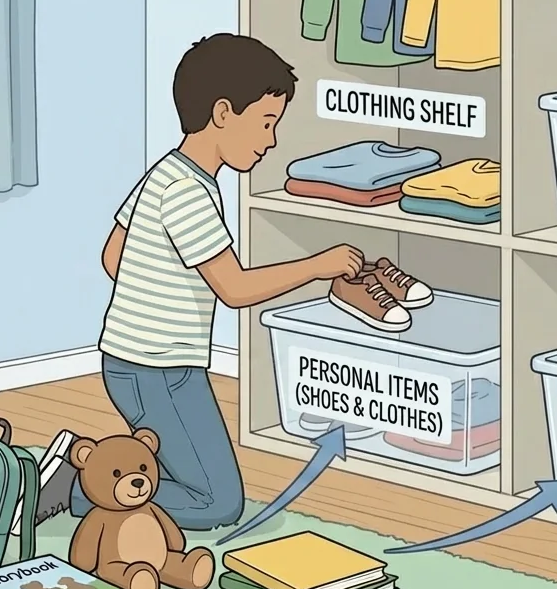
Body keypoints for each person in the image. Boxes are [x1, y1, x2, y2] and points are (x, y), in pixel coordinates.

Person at [30, 34, 362, 531]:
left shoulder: (166, 173)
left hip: (131, 359)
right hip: (159, 369)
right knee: (217, 502)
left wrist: (154, 296)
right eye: (266, 122)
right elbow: (235, 289)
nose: (270, 140)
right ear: (224, 112)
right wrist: (318, 265)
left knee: (191, 469)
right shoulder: (191, 194)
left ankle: (105, 470)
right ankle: (81, 485)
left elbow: (114, 255)